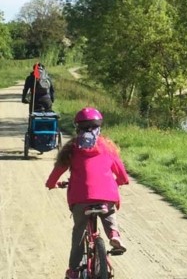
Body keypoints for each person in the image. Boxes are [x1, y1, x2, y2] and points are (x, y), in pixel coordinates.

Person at [45, 107, 130, 279]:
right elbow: (122, 175)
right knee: (109, 214)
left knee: (79, 232)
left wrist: (52, 184)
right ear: (99, 127)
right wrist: (119, 182)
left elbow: (57, 172)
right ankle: (114, 235)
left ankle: (74, 271)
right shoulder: (108, 147)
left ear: (78, 127)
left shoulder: (71, 149)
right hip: (107, 195)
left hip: (81, 197)